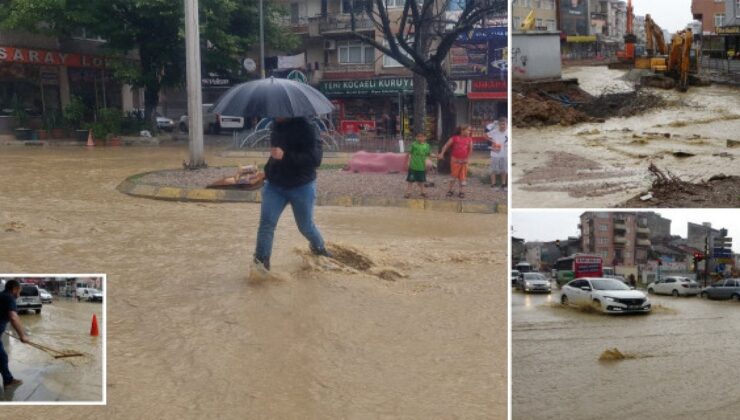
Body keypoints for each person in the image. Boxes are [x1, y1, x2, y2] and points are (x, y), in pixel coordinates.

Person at [253, 117, 331, 273]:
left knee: (305, 227)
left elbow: (315, 160)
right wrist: (266, 172)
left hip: (301, 186)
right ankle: (260, 265)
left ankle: (320, 250)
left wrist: (285, 156)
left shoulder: (309, 128)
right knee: (266, 225)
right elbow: (275, 155)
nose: (274, 113)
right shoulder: (275, 126)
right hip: (275, 185)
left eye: (278, 110)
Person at [0, 280, 28, 389]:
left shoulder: (1, 295)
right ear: (15, 289)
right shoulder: (9, 298)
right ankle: (8, 381)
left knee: (2, 357)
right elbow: (13, 317)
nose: (19, 294)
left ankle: (8, 380)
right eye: (19, 291)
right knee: (2, 357)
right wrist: (22, 336)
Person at [439, 125, 474, 199]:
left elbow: (470, 150)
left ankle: (461, 191)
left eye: (469, 130)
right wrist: (442, 153)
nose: (469, 132)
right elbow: (446, 146)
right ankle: (450, 190)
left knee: (463, 177)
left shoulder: (469, 140)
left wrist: (467, 159)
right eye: (468, 130)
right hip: (455, 160)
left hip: (464, 161)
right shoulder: (454, 138)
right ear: (462, 130)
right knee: (453, 176)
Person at [404, 132, 436, 199]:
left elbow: (428, 154)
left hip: (421, 167)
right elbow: (409, 153)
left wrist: (437, 156)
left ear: (425, 137)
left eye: (422, 137)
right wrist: (407, 162)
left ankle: (423, 192)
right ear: (416, 137)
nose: (420, 138)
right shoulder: (414, 145)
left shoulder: (427, 146)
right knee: (410, 180)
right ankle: (408, 193)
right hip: (413, 166)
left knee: (421, 181)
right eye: (418, 137)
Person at [486, 116, 508, 191]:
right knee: (493, 169)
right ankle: (493, 184)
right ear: (498, 124)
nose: (502, 126)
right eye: (501, 124)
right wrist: (492, 142)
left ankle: (503, 184)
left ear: (507, 124)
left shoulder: (509, 132)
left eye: (504, 124)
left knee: (504, 169)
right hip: (495, 153)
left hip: (505, 153)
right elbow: (485, 136)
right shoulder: (494, 131)